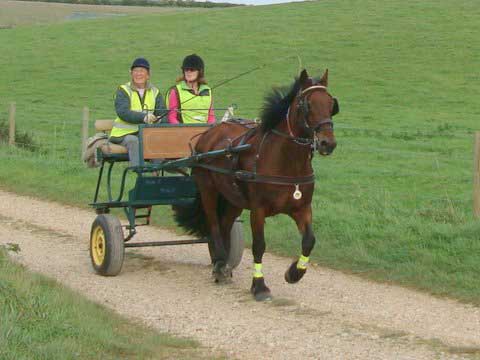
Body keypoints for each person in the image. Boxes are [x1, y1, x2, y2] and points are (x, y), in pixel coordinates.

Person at [109, 57, 166, 167]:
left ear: (148, 75)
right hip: (122, 134)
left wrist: (158, 120)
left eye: (142, 71)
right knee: (133, 141)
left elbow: (162, 112)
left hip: (145, 134)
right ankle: (140, 173)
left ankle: (157, 172)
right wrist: (144, 117)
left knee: (156, 140)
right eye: (135, 71)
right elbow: (123, 112)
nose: (138, 74)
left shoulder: (155, 92)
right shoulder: (123, 90)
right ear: (131, 73)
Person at [166, 54, 215, 124]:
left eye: (192, 69)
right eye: (186, 69)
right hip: (183, 131)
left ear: (200, 72)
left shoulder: (208, 91)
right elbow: (172, 117)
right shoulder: (175, 91)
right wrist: (183, 130)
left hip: (205, 131)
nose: (188, 72)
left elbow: (211, 117)